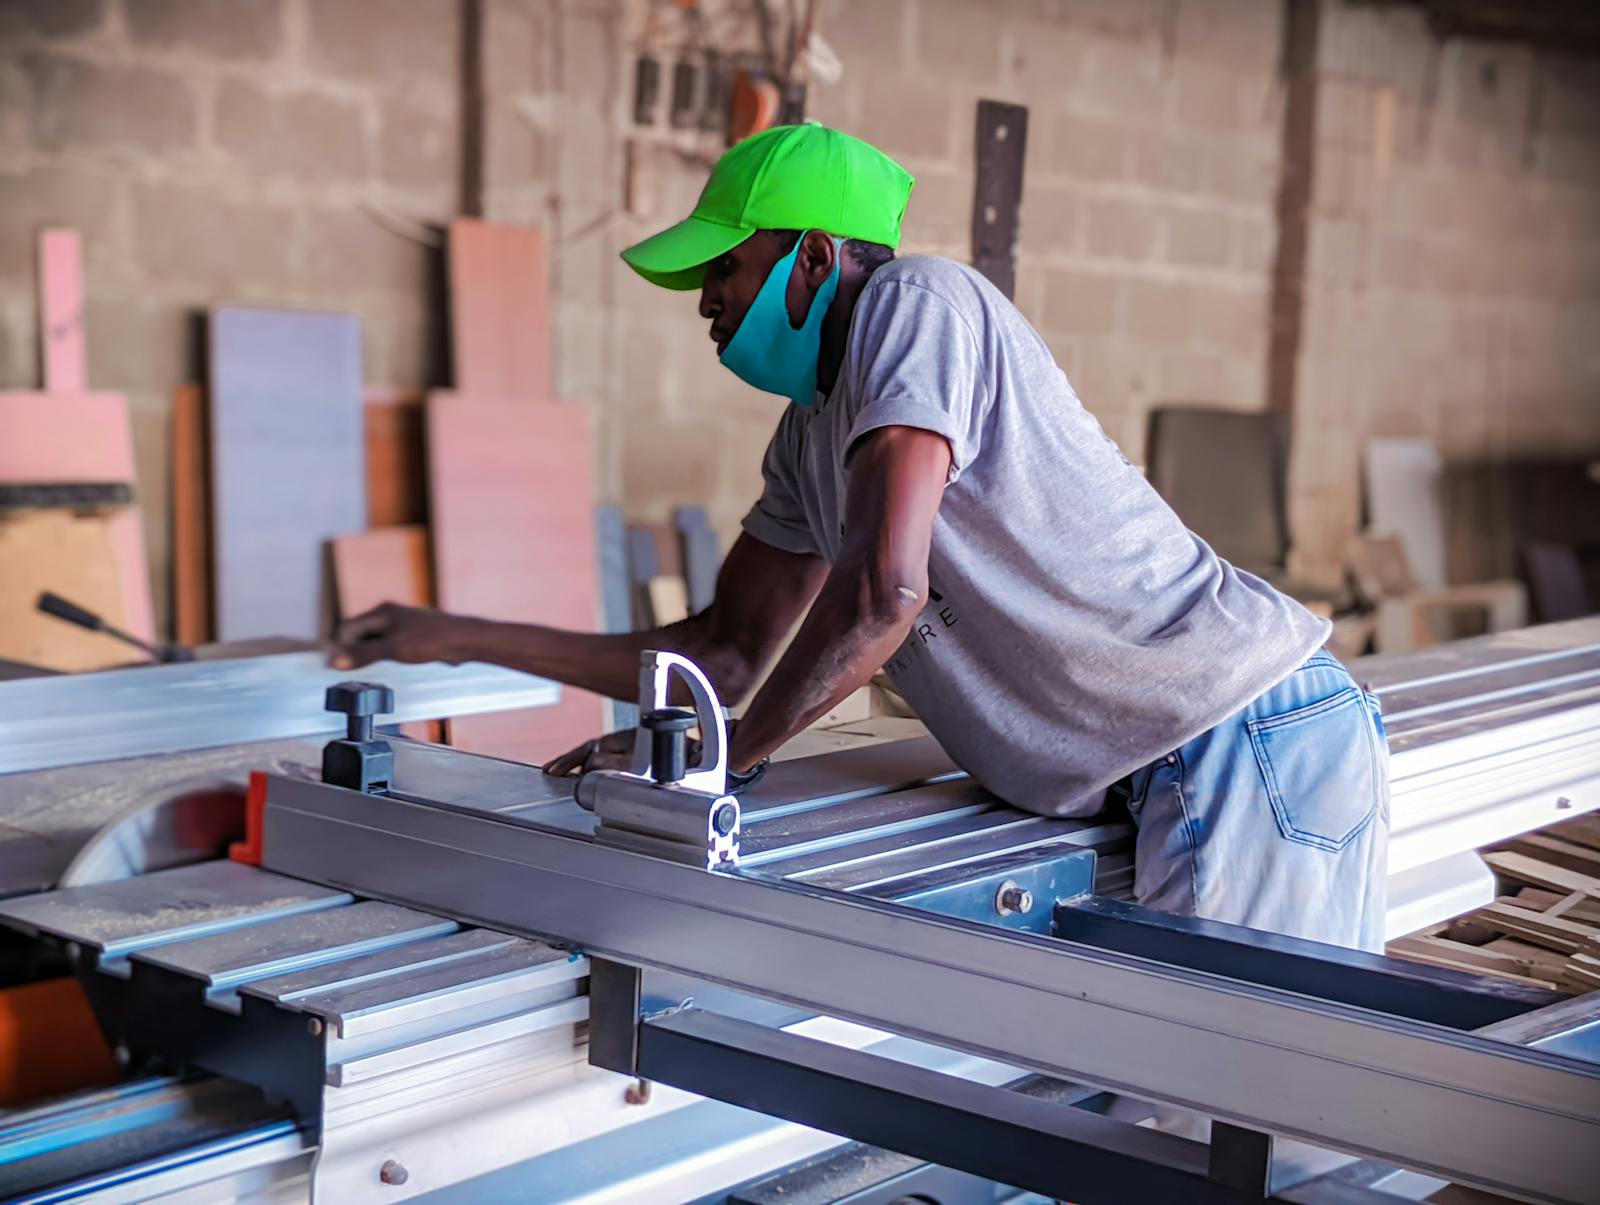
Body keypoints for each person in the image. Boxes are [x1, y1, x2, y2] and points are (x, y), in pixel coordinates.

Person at [334, 123, 1389, 951]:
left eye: (725, 269)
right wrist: (454, 635)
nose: (707, 301)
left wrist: (728, 753)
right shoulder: (810, 436)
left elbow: (888, 593)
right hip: (1153, 764)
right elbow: (725, 650)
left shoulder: (919, 301)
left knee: (1247, 1131)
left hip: (1238, 737)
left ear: (816, 257)